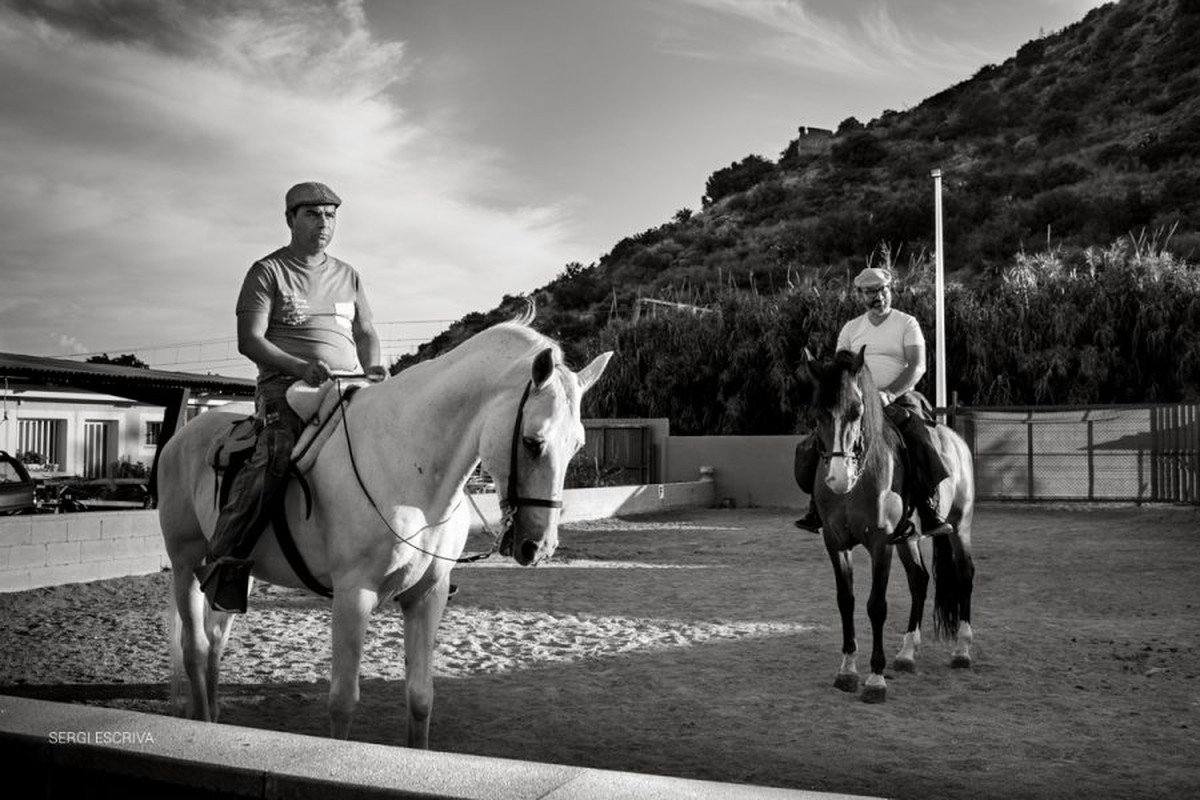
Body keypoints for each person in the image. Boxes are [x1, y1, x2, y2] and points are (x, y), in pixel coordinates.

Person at [195, 181, 387, 613]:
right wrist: (299, 367)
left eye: (331, 215)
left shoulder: (348, 275)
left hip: (349, 382)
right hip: (286, 387)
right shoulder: (267, 271)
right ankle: (225, 560)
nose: (324, 222)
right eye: (312, 214)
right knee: (277, 449)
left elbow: (365, 332)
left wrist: (373, 367)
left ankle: (417, 564)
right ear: (290, 219)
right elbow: (250, 340)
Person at [794, 266, 954, 542]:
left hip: (899, 398)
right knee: (819, 440)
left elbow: (917, 366)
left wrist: (890, 393)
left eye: (881, 291)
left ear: (890, 290)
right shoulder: (851, 329)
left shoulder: (907, 323)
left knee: (919, 437)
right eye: (870, 293)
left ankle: (928, 510)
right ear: (861, 295)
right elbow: (840, 372)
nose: (877, 297)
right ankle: (816, 508)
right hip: (856, 402)